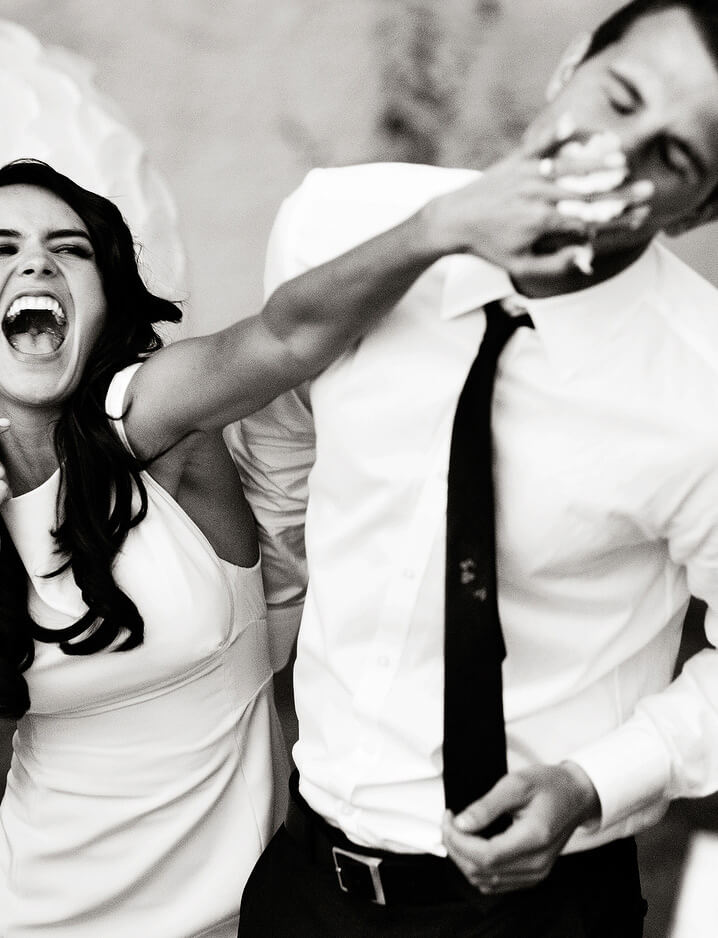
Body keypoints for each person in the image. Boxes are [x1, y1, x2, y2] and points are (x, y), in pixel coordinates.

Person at [0, 152, 633, 938]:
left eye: (69, 247)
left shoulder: (149, 422)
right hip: (28, 918)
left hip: (237, 919)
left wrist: (436, 231)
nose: (35, 260)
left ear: (105, 300)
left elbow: (287, 339)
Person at [231, 2, 718, 936]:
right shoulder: (341, 224)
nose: (617, 153)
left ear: (699, 209)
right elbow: (285, 435)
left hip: (541, 910)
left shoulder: (700, 397)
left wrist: (591, 784)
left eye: (675, 157)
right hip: (303, 884)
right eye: (617, 98)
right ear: (570, 64)